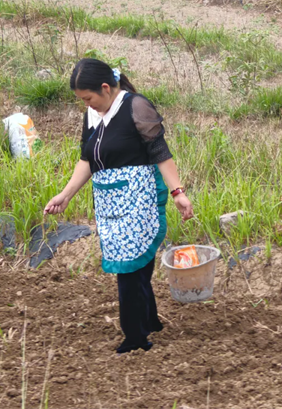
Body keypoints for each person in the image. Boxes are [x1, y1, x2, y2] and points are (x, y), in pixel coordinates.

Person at [44, 58, 194, 353]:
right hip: (109, 200)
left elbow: (160, 151)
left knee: (129, 268)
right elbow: (88, 160)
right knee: (135, 267)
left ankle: (135, 338)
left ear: (104, 87)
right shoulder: (92, 114)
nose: (87, 104)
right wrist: (65, 195)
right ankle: (150, 320)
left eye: (88, 98)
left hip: (139, 197)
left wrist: (178, 192)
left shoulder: (135, 106)